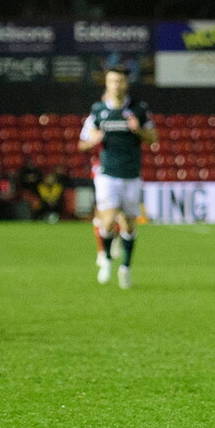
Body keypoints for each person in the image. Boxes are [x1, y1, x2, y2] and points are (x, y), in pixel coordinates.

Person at [78, 65, 157, 289]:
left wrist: (137, 129)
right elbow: (82, 143)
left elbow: (153, 138)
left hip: (132, 174)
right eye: (112, 81)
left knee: (130, 226)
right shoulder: (98, 110)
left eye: (120, 81)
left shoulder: (139, 109)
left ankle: (126, 268)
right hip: (108, 174)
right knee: (109, 220)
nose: (116, 85)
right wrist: (92, 141)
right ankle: (106, 259)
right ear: (107, 83)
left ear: (126, 84)